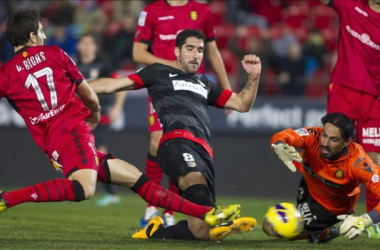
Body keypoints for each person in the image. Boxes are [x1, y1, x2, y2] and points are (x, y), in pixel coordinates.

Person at [0, 9, 241, 232]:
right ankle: (7, 199)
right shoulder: (55, 54)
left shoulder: (6, 74)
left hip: (53, 145)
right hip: (74, 132)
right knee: (84, 188)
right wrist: (94, 113)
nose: (43, 35)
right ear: (32, 36)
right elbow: (87, 92)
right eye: (41, 31)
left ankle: (209, 213)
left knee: (136, 178)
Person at [90, 29, 260, 241]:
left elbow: (242, 104)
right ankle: (220, 216)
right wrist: (75, 86)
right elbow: (113, 84)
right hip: (176, 143)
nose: (196, 54)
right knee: (194, 179)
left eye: (200, 50)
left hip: (204, 153)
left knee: (201, 231)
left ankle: (155, 232)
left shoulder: (204, 83)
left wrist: (254, 76)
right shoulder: (158, 72)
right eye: (190, 48)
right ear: (177, 51)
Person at [132, 0, 232, 227]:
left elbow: (213, 51)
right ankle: (152, 206)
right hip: (163, 87)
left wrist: (226, 89)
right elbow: (138, 52)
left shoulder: (203, 11)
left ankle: (169, 210)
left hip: (193, 90)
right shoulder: (151, 11)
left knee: (184, 148)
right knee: (157, 143)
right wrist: (172, 65)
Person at [319, 0, 380, 238]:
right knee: (334, 152)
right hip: (343, 88)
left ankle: (375, 219)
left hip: (374, 97)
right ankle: (334, 214)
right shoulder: (349, 5)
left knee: (373, 158)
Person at [270, 112, 380, 243]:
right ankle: (318, 232)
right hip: (308, 186)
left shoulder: (359, 163)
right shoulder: (313, 136)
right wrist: (278, 143)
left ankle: (329, 230)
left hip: (331, 208)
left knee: (285, 232)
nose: (325, 143)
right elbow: (282, 136)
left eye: (334, 139)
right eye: (325, 135)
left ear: (347, 142)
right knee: (284, 227)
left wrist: (364, 220)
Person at [76, 33, 126, 207]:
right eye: (84, 42)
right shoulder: (75, 65)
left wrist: (117, 106)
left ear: (96, 47)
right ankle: (101, 188)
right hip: (82, 115)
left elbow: (121, 84)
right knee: (90, 149)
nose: (87, 46)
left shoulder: (103, 64)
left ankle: (111, 191)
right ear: (79, 46)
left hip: (100, 112)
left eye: (90, 43)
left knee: (98, 148)